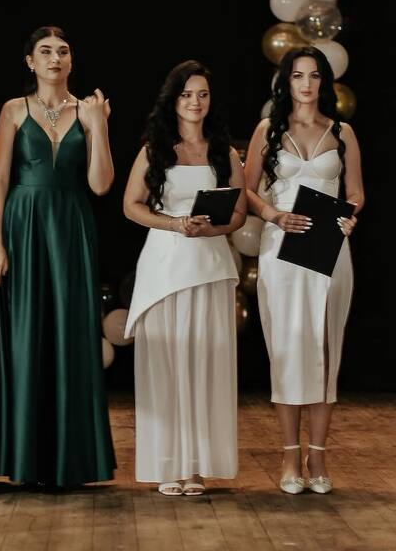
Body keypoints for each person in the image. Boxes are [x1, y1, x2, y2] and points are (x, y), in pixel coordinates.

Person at [0, 26, 116, 487]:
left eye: (63, 51)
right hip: (22, 225)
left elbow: (101, 184)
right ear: (30, 61)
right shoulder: (12, 110)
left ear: (71, 61)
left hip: (71, 227)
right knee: (26, 334)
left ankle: (69, 461)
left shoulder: (87, 110)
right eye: (45, 51)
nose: (55, 58)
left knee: (70, 333)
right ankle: (26, 459)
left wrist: (99, 126)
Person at [244, 46, 363, 495]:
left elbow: (356, 192)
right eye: (298, 75)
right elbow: (247, 190)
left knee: (326, 347)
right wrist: (274, 215)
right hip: (282, 247)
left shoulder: (343, 132)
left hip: (329, 248)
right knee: (288, 348)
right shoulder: (267, 130)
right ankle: (290, 455)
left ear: (324, 81)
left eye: (314, 75)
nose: (307, 84)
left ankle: (318, 455)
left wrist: (350, 215)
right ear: (286, 82)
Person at [123, 60, 246, 496]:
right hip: (164, 267)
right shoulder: (154, 150)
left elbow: (238, 212)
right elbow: (131, 205)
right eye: (187, 94)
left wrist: (212, 229)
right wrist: (174, 224)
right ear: (173, 100)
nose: (195, 102)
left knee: (205, 365)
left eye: (203, 94)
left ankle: (196, 466)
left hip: (209, 266)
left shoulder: (225, 152)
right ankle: (167, 464)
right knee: (167, 365)